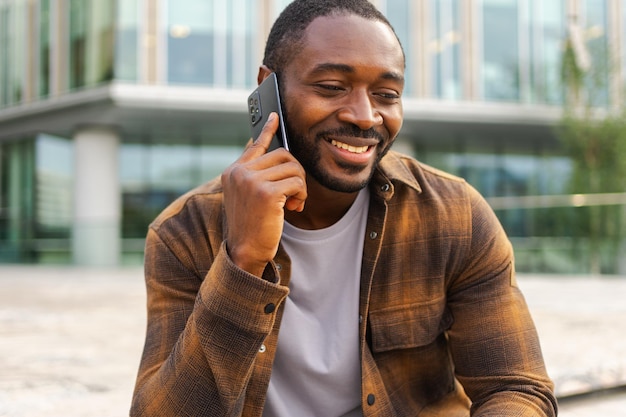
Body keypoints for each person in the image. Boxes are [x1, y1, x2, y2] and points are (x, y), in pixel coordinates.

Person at [130, 0, 557, 416]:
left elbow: (517, 389)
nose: (365, 116)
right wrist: (241, 263)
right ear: (268, 87)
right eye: (332, 87)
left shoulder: (455, 215)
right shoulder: (184, 233)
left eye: (386, 94)